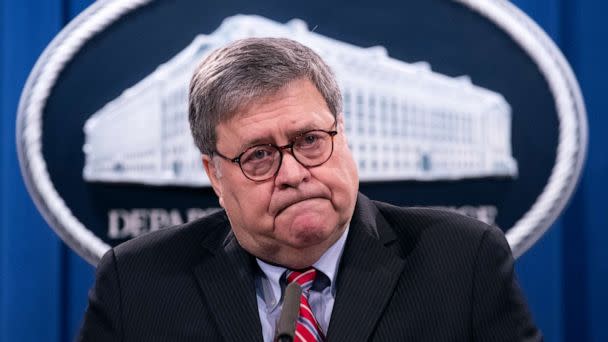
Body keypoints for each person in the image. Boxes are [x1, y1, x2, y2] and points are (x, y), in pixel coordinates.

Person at [79, 37, 542, 341]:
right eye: (259, 155)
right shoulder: (136, 282)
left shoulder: (462, 259)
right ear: (215, 174)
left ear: (341, 132)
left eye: (310, 141)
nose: (295, 172)